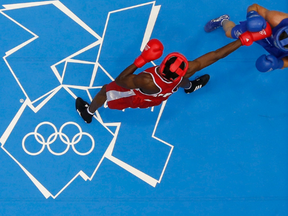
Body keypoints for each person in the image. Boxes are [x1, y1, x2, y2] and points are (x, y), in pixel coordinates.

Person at [76, 33, 268, 124]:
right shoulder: (186, 70)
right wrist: (242, 41)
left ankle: (89, 112)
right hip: (163, 94)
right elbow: (217, 55)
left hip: (142, 95)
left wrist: (141, 60)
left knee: (104, 90)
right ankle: (190, 85)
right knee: (180, 83)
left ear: (162, 63)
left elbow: (120, 80)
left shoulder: (145, 80)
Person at [204, 3, 288, 72]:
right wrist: (253, 15)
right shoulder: (276, 18)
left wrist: (278, 64)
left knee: (274, 62)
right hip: (260, 29)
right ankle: (223, 20)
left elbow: (286, 63)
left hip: (279, 51)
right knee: (229, 33)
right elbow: (255, 6)